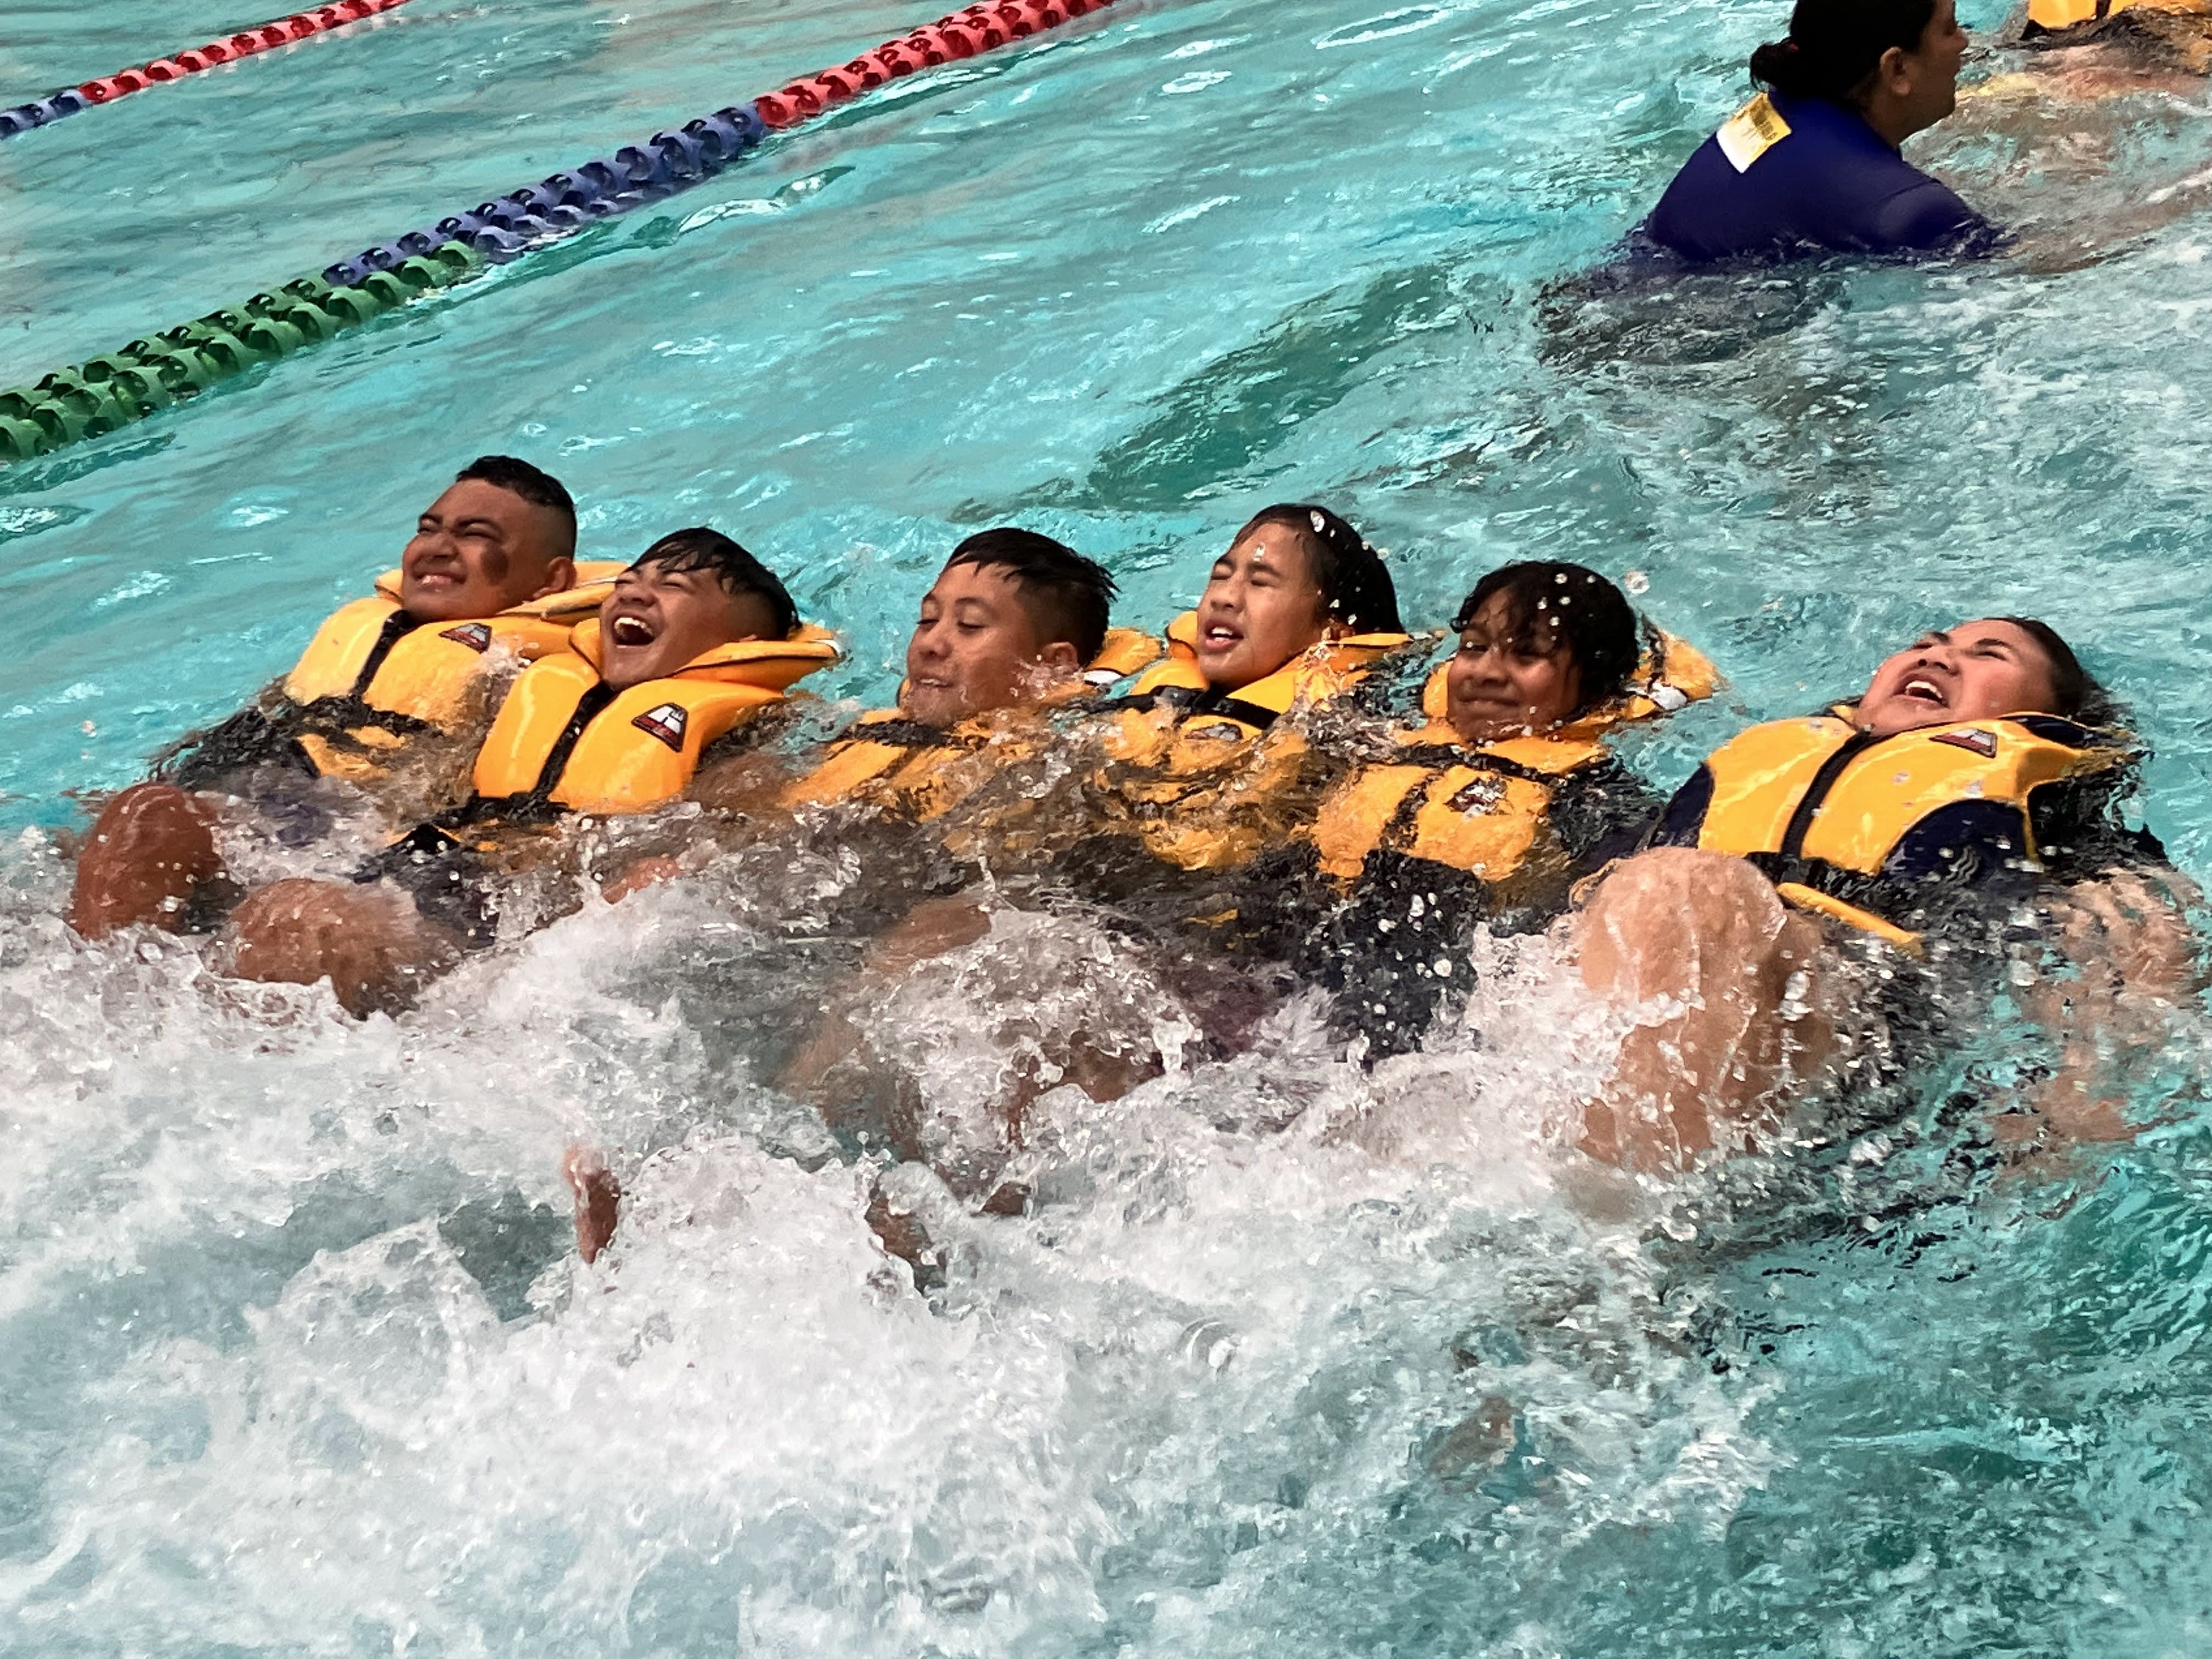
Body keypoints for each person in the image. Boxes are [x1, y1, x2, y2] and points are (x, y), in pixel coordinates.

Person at [568, 528, 1139, 1262]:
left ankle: (758, 1185)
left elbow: (1018, 887)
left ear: (1048, 667)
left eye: (969, 627)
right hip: (803, 938)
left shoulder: (1051, 761)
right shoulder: (856, 741)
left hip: (893, 959)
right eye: (928, 619)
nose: (932, 643)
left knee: (915, 947)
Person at [1572, 616, 2192, 1171]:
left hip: (1862, 1011)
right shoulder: (1772, 754)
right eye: (1926, 643)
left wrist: (2077, 1098)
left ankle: (1612, 1187)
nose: (1938, 656)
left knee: (1689, 890)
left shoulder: (2043, 800)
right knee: (1650, 892)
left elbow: (2147, 941)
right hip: (1696, 965)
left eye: (1989, 655)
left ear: (2053, 715)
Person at [218, 528, 836, 1016]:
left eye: (672, 587)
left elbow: (724, 853)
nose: (634, 594)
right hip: (421, 865)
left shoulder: (740, 746)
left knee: (301, 920)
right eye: (628, 582)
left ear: (739, 643)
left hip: (501, 921)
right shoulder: (528, 689)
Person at [70, 456, 603, 940]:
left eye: (474, 535)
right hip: (287, 820)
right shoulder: (370, 642)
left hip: (400, 873)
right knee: (147, 816)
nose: (436, 548)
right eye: (428, 529)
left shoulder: (528, 676)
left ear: (549, 580)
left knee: (294, 917)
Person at [1292, 562, 1717, 1057]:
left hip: (1427, 983)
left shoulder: (1585, 792)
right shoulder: (1388, 739)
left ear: (1593, 685)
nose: (1486, 672)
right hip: (1307, 924)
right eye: (1474, 647)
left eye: (1527, 656)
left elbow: (1636, 901)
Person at [1078, 503, 1409, 879]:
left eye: (1260, 582)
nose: (1224, 597)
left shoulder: (1336, 723)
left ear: (1331, 632)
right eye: (1220, 576)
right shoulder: (1158, 691)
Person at [1643, 0, 1995, 263]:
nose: (1963, 42)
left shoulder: (1780, 107)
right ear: (1897, 68)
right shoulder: (1914, 211)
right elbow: (2018, 270)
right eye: (1949, 28)